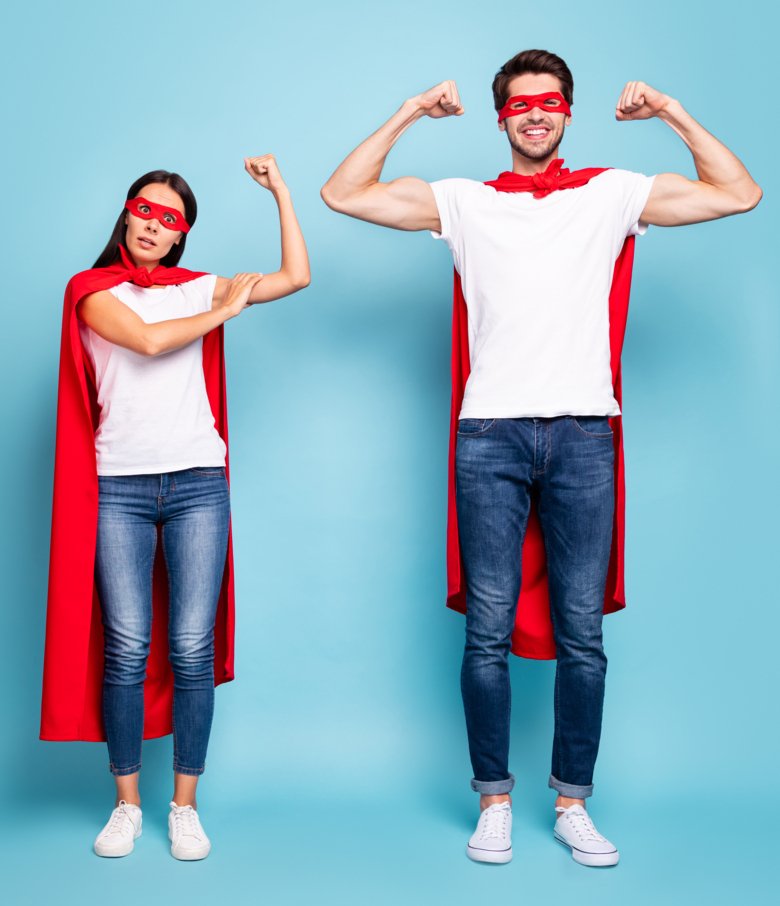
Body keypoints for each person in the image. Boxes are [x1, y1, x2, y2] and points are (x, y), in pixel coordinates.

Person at [321, 49, 761, 867]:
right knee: (486, 632)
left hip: (584, 433)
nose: (535, 113)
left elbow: (739, 192)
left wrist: (668, 109)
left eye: (550, 102)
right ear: (502, 117)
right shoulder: (465, 202)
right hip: (489, 433)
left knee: (582, 634)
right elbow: (343, 192)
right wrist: (413, 110)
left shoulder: (611, 192)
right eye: (521, 103)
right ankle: (493, 800)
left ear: (567, 113)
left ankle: (572, 803)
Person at [41, 155, 310, 860]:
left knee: (192, 646)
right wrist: (225, 312)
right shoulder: (91, 290)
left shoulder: (195, 285)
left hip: (197, 482)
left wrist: (282, 193)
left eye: (169, 218)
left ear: (182, 232)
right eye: (144, 210)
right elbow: (150, 340)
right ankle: (126, 805)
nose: (153, 225)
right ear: (126, 215)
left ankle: (184, 806)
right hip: (119, 488)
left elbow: (295, 276)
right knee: (127, 645)